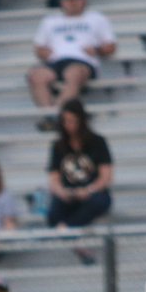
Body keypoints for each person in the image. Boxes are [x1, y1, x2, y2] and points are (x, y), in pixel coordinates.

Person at [27, 0, 116, 129]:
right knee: (36, 75)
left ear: (83, 1)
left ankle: (56, 116)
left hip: (83, 60)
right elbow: (39, 48)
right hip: (56, 61)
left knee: (74, 73)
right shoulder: (50, 21)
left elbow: (110, 46)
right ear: (62, 2)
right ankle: (51, 116)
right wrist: (45, 53)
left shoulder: (96, 19)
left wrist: (97, 50)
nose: (72, 2)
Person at [46, 99, 112, 263]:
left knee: (98, 201)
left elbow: (106, 177)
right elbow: (53, 179)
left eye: (72, 121)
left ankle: (67, 230)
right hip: (70, 193)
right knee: (53, 212)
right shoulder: (58, 146)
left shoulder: (98, 142)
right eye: (65, 121)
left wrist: (89, 190)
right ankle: (77, 243)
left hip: (92, 192)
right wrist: (63, 191)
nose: (69, 125)